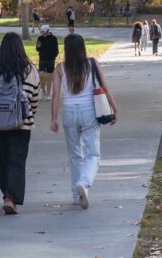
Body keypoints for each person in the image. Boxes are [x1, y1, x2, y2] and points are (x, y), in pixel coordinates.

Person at [0, 33, 40, 215]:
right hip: (21, 125)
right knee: (17, 162)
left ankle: (6, 195)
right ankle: (11, 198)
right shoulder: (29, 69)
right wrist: (29, 116)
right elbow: (34, 97)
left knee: (2, 162)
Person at [50, 34, 118, 209]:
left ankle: (76, 195)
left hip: (69, 112)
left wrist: (53, 118)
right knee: (93, 153)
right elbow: (105, 88)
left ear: (66, 49)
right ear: (82, 48)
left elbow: (55, 95)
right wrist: (114, 108)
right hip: (89, 111)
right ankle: (84, 183)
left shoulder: (60, 68)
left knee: (75, 155)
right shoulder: (92, 63)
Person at [35, 24, 59, 100]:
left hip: (50, 60)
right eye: (41, 32)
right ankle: (43, 91)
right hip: (42, 59)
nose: (42, 33)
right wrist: (38, 47)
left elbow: (56, 50)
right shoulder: (40, 38)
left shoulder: (53, 38)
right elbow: (38, 49)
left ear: (48, 31)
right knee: (41, 75)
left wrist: (53, 58)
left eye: (44, 32)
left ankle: (48, 94)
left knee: (49, 77)